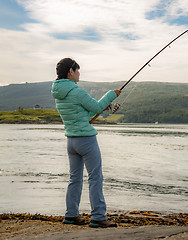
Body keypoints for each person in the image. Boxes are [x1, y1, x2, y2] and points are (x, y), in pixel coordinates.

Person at [51, 58, 121, 228]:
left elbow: (81, 109)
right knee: (95, 177)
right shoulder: (78, 92)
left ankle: (71, 215)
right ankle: (97, 217)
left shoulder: (59, 94)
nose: (79, 73)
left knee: (74, 178)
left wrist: (99, 106)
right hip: (86, 141)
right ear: (70, 71)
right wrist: (112, 94)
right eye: (77, 70)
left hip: (71, 142)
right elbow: (96, 107)